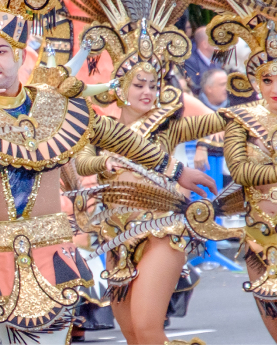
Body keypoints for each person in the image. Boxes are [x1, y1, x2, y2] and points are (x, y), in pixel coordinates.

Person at [0, 0, 216, 343]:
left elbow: (112, 135)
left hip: (50, 254)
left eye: (1, 51)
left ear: (20, 55)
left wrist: (174, 169)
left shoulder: (55, 104)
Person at [69, 2, 229, 343]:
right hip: (114, 236)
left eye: (153, 85)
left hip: (161, 231)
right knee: (133, 335)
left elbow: (218, 120)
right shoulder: (100, 129)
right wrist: (102, 163)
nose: (147, 92)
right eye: (139, 84)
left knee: (146, 327)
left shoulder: (166, 129)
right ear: (120, 88)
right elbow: (82, 162)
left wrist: (251, 101)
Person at [194, 6, 277, 344]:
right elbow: (240, 170)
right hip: (257, 243)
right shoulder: (242, 120)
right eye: (267, 80)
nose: (275, 88)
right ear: (256, 81)